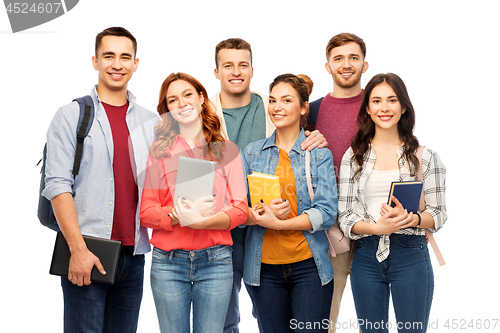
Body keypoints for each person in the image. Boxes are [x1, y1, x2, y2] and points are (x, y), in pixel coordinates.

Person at [41, 27, 159, 332]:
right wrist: (78, 250)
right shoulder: (70, 115)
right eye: (109, 56)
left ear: (136, 63)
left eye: (125, 57)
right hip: (87, 250)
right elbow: (57, 185)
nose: (117, 64)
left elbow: (165, 181)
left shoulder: (150, 121)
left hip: (134, 255)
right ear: (95, 61)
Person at [211, 38, 328, 333]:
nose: (236, 72)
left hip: (267, 239)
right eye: (228, 65)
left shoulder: (267, 105)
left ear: (252, 70)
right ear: (217, 72)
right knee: (223, 320)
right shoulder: (203, 112)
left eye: (243, 65)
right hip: (220, 228)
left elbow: (293, 126)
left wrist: (317, 138)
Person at [338, 73, 447, 332]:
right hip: (365, 255)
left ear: (404, 106)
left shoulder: (425, 157)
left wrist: (414, 219)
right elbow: (345, 217)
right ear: (367, 108)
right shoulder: (354, 156)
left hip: (410, 253)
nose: (384, 108)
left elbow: (439, 213)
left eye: (392, 100)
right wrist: (376, 228)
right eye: (376, 101)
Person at [140, 72, 248, 333]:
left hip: (216, 262)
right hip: (168, 263)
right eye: (173, 100)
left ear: (201, 98)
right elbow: (146, 212)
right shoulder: (159, 152)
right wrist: (178, 215)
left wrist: (205, 221)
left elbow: (240, 209)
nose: (182, 103)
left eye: (188, 95)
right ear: (167, 109)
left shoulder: (227, 150)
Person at [242, 74, 337, 333]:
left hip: (309, 267)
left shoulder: (318, 154)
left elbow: (327, 212)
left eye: (286, 100)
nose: (277, 107)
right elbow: (238, 208)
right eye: (272, 100)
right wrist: (261, 214)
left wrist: (280, 224)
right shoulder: (251, 153)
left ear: (304, 107)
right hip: (263, 271)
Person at [306, 32, 369, 332]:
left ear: (364, 65)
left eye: (353, 57)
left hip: (375, 223)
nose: (346, 64)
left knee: (374, 317)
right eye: (339, 58)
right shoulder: (313, 112)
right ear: (328, 66)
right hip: (331, 228)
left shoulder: (379, 106)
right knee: (324, 317)